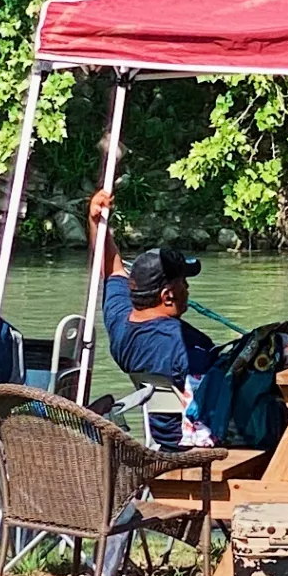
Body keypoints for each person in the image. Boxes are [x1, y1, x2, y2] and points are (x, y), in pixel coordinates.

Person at [86, 188, 213, 449]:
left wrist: (96, 224)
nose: (187, 289)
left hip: (163, 441)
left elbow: (112, 271)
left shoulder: (120, 322)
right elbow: (214, 397)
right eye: (184, 283)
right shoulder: (185, 345)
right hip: (192, 446)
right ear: (167, 296)